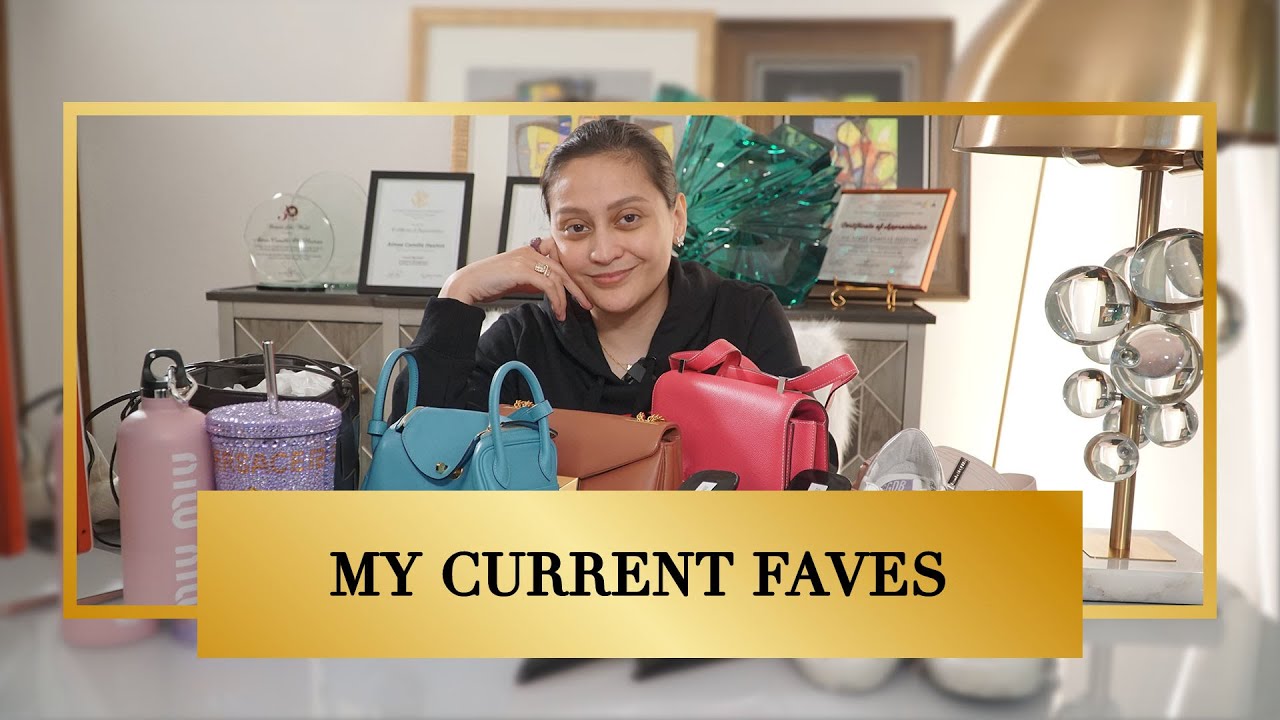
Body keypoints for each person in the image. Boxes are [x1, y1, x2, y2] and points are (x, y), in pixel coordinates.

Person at [391, 118, 810, 435]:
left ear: (677, 218)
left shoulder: (745, 316)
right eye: (576, 227)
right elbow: (418, 450)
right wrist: (457, 292)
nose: (604, 252)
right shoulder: (522, 339)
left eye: (628, 218)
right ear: (551, 236)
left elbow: (803, 466)